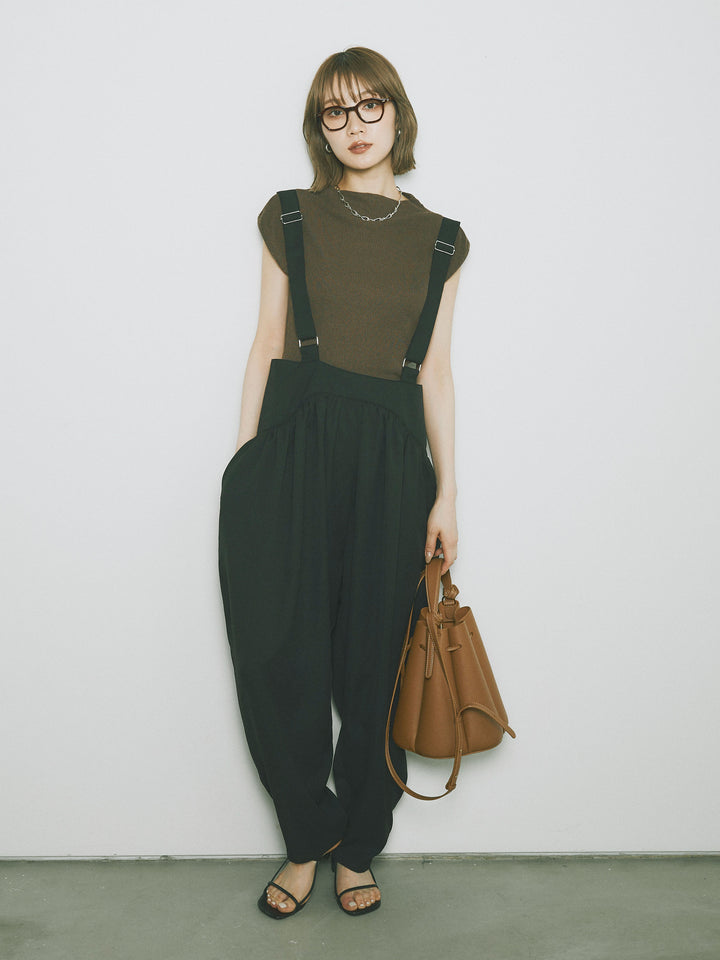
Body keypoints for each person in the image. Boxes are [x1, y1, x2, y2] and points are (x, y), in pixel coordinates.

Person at [217, 46, 469, 919]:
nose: (354, 125)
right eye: (335, 111)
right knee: (276, 653)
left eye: (369, 106)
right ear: (318, 128)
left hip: (394, 458)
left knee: (376, 663)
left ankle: (357, 846)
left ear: (397, 114)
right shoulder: (290, 214)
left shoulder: (442, 239)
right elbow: (266, 343)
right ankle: (307, 838)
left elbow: (436, 373)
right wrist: (245, 462)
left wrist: (448, 493)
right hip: (292, 447)